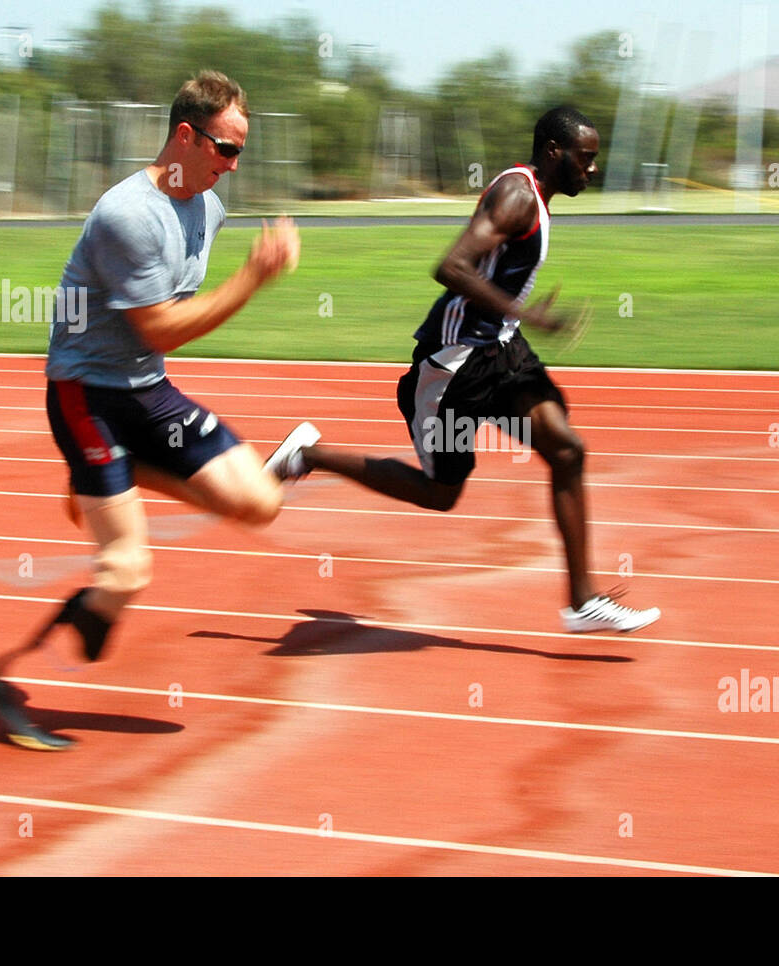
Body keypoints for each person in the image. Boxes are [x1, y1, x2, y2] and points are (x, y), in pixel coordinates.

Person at [0, 70, 301, 750]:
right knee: (128, 570)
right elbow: (160, 327)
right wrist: (252, 278)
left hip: (145, 389)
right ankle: (19, 684)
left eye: (241, 151)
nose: (233, 165)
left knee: (260, 500)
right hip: (86, 393)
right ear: (184, 136)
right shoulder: (125, 215)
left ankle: (107, 477)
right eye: (225, 149)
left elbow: (165, 334)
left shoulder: (207, 208)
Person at [266, 106, 660, 634]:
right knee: (441, 493)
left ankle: (582, 601)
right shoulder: (518, 196)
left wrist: (515, 322)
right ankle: (307, 454)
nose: (591, 169)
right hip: (456, 365)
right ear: (554, 152)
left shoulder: (533, 196)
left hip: (501, 350)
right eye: (584, 159)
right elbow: (450, 267)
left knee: (567, 450)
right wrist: (526, 311)